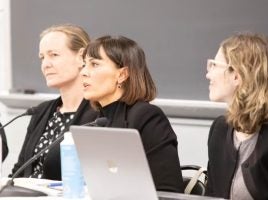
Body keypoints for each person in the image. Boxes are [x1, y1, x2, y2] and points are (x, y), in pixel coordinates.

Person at [80, 35, 184, 193]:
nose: (84, 72)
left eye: (94, 64)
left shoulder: (147, 117)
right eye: (83, 65)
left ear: (122, 75)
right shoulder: (90, 119)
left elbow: (168, 190)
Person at [205, 32, 268, 199]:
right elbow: (211, 195)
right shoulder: (219, 129)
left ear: (236, 75)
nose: (208, 74)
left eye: (214, 65)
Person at [10, 24, 98, 180]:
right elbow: (19, 170)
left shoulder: (100, 114)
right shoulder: (41, 111)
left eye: (54, 55)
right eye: (42, 57)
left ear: (81, 57)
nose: (46, 64)